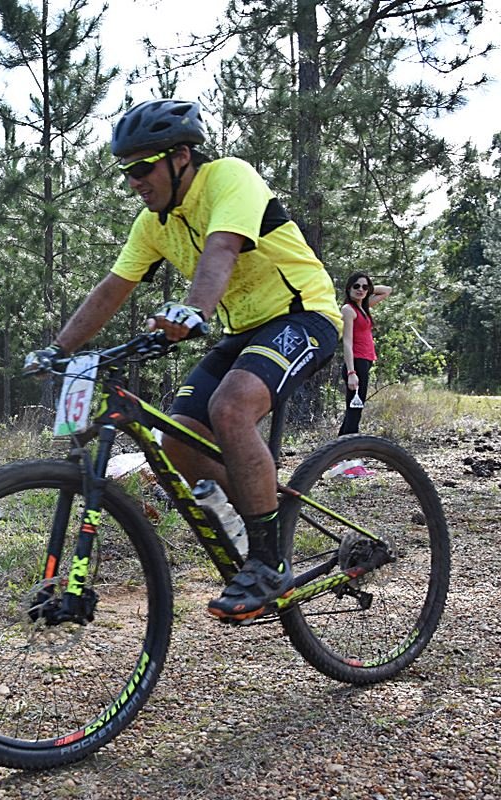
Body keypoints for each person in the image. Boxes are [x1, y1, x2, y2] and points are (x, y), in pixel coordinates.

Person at [24, 99, 342, 622]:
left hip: (302, 314)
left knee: (231, 407)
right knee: (175, 442)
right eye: (127, 171)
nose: (135, 181)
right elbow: (113, 288)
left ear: (181, 158)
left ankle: (268, 562)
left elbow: (221, 250)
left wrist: (192, 310)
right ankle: (257, 522)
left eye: (144, 167)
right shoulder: (153, 224)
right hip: (242, 329)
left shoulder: (229, 179)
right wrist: (60, 349)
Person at [338, 272, 392, 440]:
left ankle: (339, 448)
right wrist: (351, 373)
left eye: (364, 287)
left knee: (354, 409)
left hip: (365, 362)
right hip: (356, 363)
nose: (360, 290)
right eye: (356, 286)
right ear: (349, 288)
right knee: (355, 410)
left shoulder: (363, 307)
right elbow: (347, 342)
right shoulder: (348, 310)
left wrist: (367, 289)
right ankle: (348, 449)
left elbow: (387, 290)